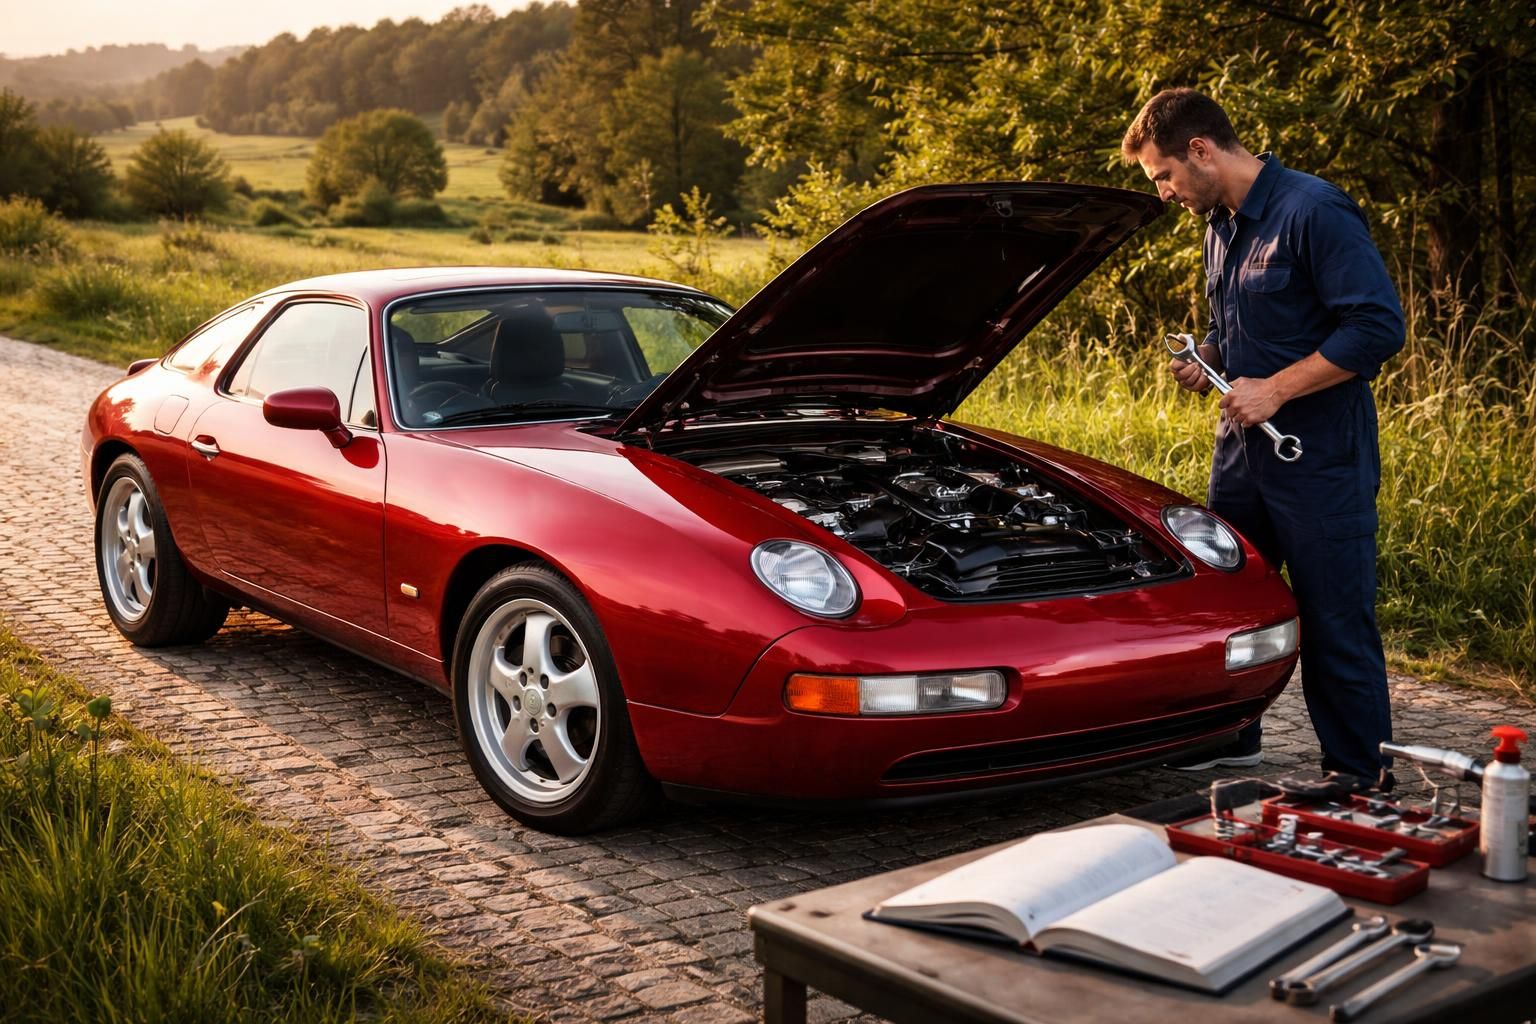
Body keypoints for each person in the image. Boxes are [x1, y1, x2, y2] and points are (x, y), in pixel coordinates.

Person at [1120, 88, 1403, 785]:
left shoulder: (1314, 210)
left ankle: (1361, 774)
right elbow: (1238, 320)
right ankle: (1233, 738)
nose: (1162, 193)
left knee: (1334, 621)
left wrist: (1275, 387)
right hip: (1242, 459)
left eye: (1162, 175)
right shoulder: (1220, 223)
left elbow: (1375, 328)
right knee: (1230, 604)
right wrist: (1211, 356)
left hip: (1320, 457)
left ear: (1200, 150)